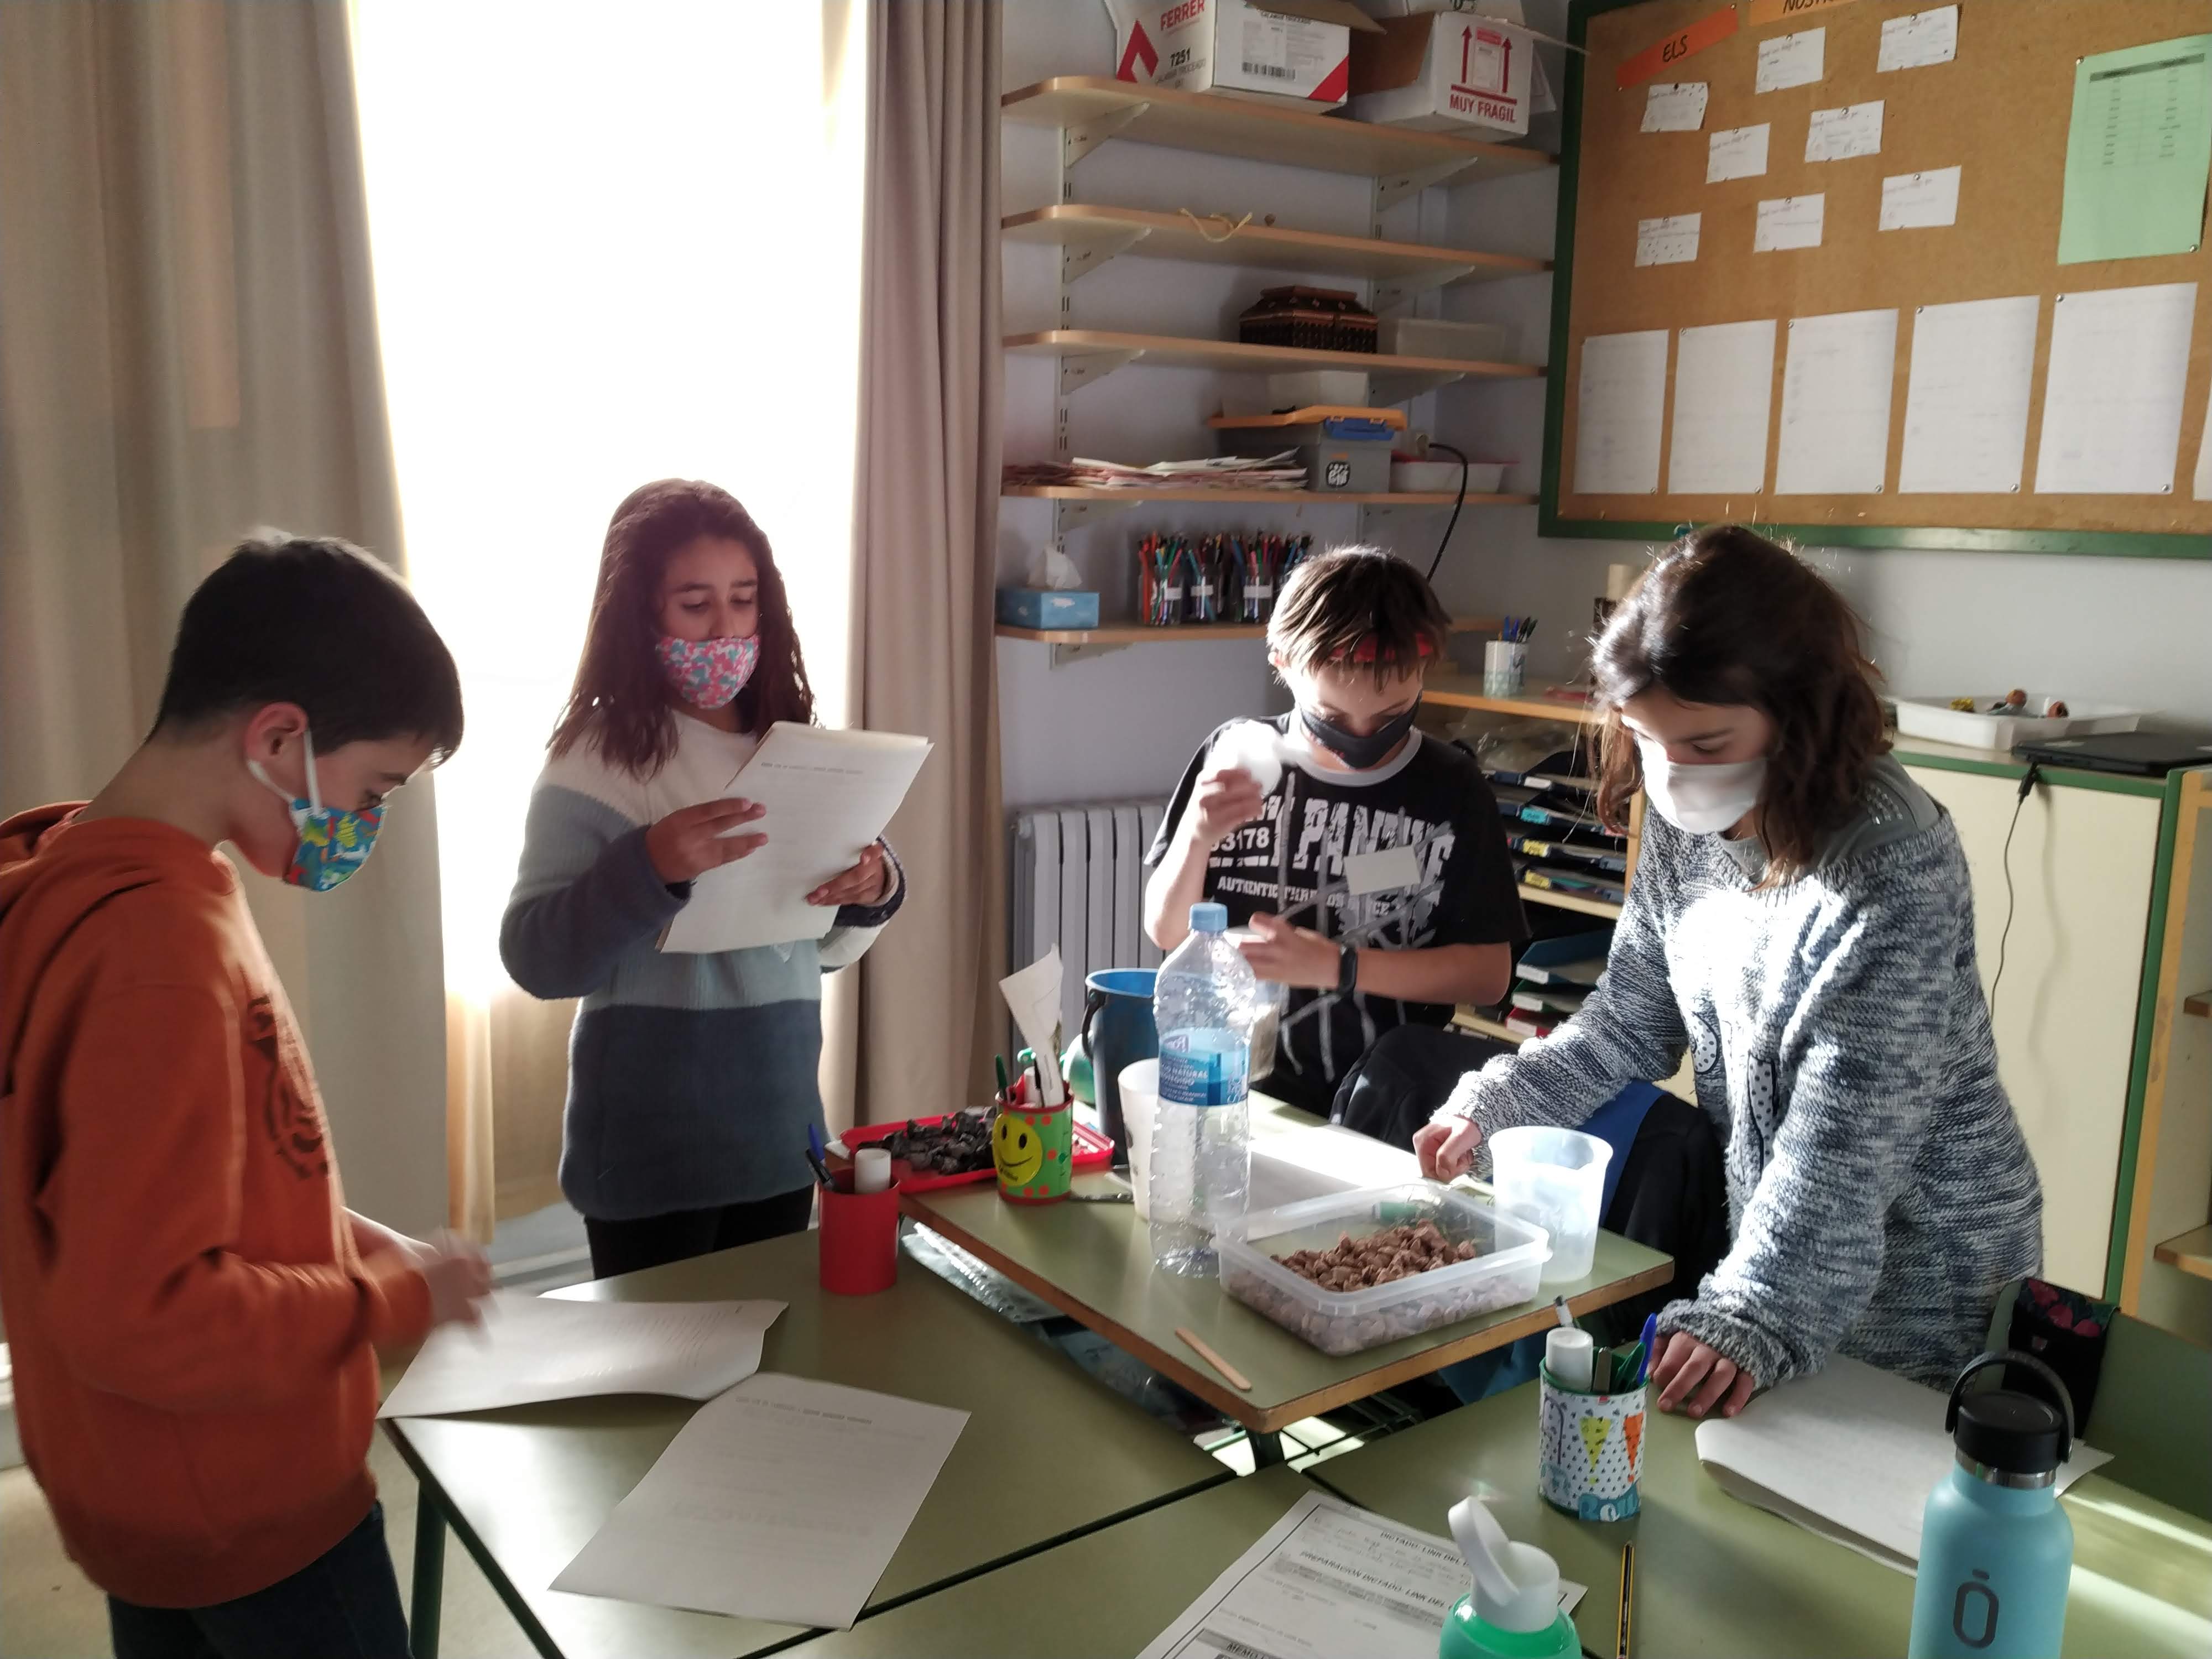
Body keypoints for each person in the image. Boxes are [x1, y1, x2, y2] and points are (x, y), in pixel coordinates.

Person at [1417, 525, 2042, 1417]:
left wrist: (1752, 1310)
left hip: (1920, 1272)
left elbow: (1844, 1147)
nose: (1675, 774)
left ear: (1798, 712)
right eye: (1649, 738)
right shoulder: (1693, 823)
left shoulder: (1890, 865)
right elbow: (1629, 1020)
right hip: (1786, 1255)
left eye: (1708, 745)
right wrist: (1500, 1105)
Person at [0, 535, 492, 1659]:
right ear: (277, 738)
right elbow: (144, 1311)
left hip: (139, 1482)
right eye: (374, 789)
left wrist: (357, 1242)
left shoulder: (86, 869)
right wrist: (387, 1301)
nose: (366, 823)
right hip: (250, 1505)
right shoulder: (157, 950)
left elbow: (185, 1183)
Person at [502, 479, 904, 1280]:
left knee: (776, 1349)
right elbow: (537, 960)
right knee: (660, 1358)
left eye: (743, 600)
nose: (724, 628)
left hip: (778, 1139)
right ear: (641, 612)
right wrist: (648, 868)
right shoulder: (597, 759)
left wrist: (871, 888)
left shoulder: (794, 744)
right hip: (649, 1158)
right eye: (695, 605)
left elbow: (819, 953)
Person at [1144, 546, 1526, 1117]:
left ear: (1423, 669)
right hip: (1230, 1084)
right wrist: (1196, 838)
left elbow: (1489, 977)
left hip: (1385, 1102)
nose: (1363, 736)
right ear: (1281, 663)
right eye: (1333, 717)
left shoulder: (1452, 788)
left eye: (1392, 714)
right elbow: (1167, 931)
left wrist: (1342, 968)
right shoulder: (1235, 757)